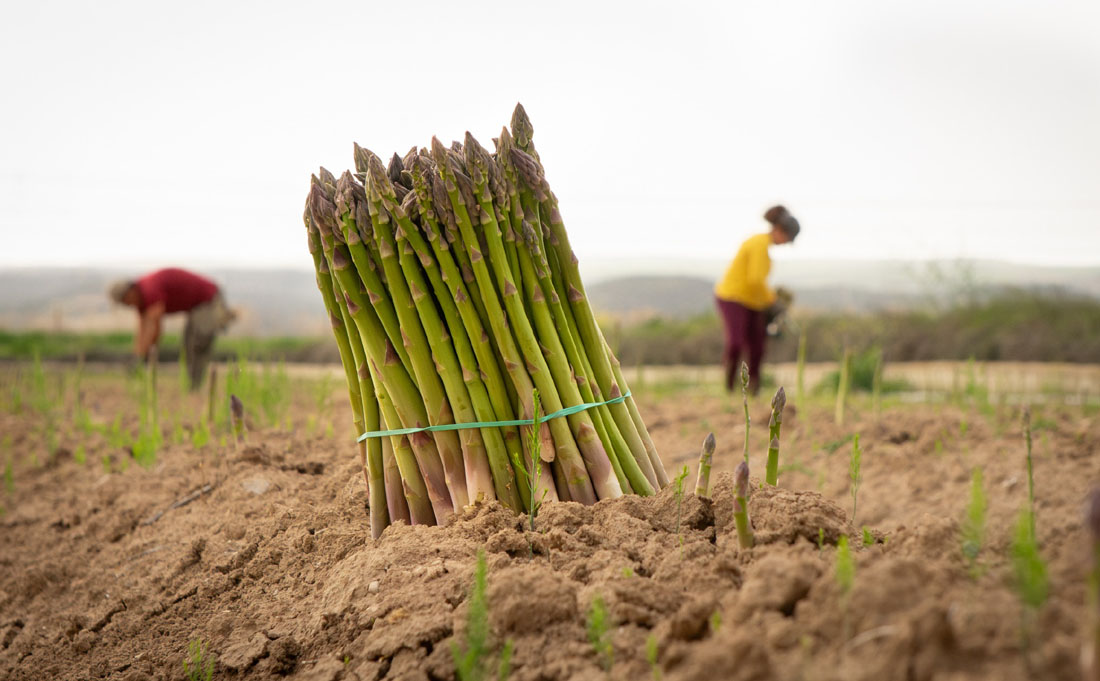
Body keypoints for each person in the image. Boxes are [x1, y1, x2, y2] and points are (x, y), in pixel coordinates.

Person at [714, 205, 800, 394]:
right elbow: (755, 280)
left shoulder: (764, 246)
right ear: (779, 230)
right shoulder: (759, 244)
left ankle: (754, 388)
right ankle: (728, 387)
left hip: (752, 301)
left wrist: (769, 302)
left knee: (758, 345)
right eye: (787, 238)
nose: (785, 243)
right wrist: (773, 302)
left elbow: (757, 284)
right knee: (736, 343)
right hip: (733, 297)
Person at [108, 268, 235, 390]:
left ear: (131, 292)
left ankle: (195, 388)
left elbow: (154, 328)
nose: (127, 305)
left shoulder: (150, 289)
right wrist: (136, 356)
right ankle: (192, 387)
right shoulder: (141, 302)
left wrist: (144, 357)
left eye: (124, 301)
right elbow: (142, 330)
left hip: (209, 300)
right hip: (196, 308)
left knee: (197, 342)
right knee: (188, 343)